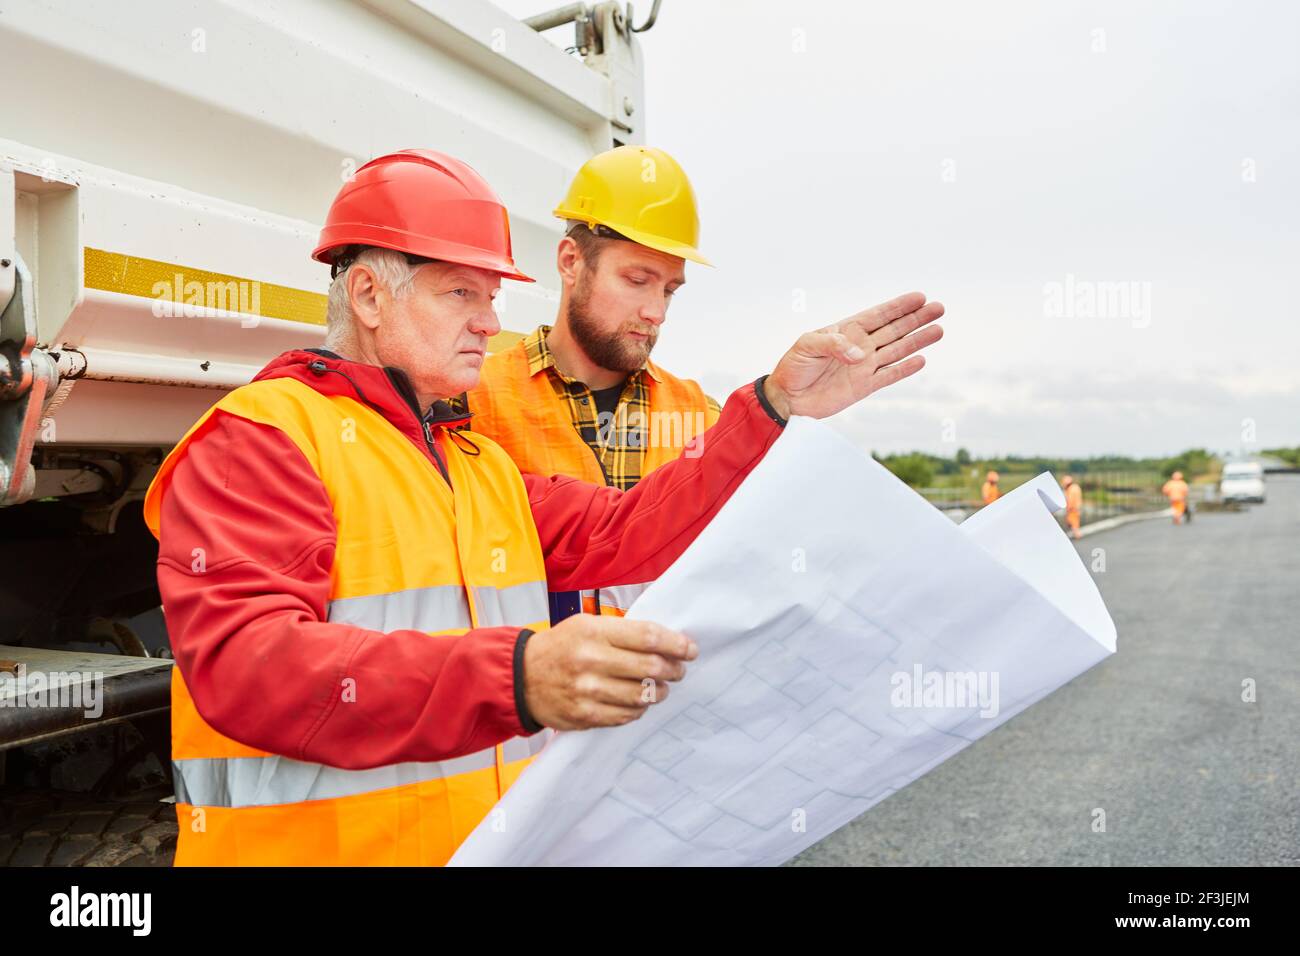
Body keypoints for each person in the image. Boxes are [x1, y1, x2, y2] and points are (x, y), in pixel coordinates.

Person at [142, 148, 945, 865]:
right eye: (462, 292)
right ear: (368, 295)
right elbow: (250, 668)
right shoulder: (261, 439)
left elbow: (628, 530)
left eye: (491, 296)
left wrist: (771, 405)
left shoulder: (472, 463)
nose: (490, 322)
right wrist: (521, 677)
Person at [465, 145, 719, 619]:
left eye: (669, 290)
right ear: (570, 262)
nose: (656, 312)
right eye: (637, 279)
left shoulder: (703, 419)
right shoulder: (469, 403)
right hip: (525, 689)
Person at [1061, 474, 1083, 539]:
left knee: (1074, 523)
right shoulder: (1076, 487)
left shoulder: (1070, 489)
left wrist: (1068, 508)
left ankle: (1077, 535)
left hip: (1072, 508)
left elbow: (1070, 500)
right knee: (1075, 522)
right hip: (1077, 507)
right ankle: (1076, 534)